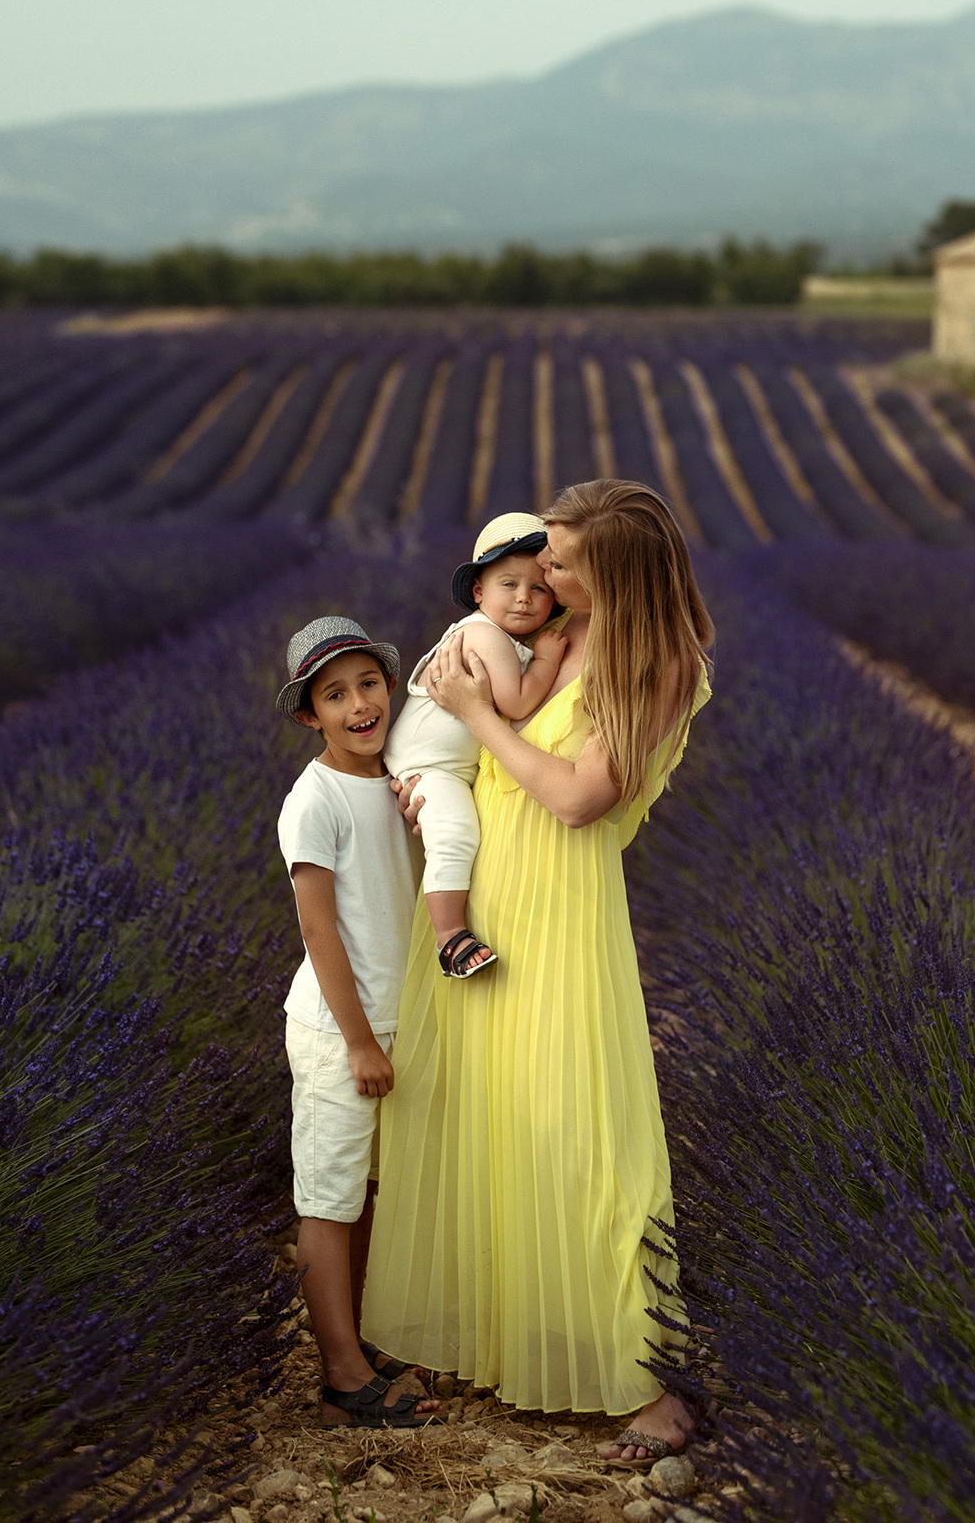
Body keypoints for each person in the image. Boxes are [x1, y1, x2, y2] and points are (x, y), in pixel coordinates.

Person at [363, 480, 713, 1461]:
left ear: (615, 573)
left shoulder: (660, 661)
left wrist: (477, 715)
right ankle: (497, 1336)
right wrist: (432, 785)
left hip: (559, 905)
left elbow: (577, 798)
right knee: (482, 1110)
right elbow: (482, 756)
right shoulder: (555, 632)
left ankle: (648, 1383)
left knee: (582, 1127)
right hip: (484, 888)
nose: (541, 570)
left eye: (560, 560)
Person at [275, 615, 443, 1430]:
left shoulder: (398, 780)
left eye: (368, 685)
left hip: (393, 1021)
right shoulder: (314, 800)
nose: (359, 706)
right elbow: (319, 931)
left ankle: (367, 1337)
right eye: (334, 696)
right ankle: (341, 1374)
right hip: (340, 1031)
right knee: (331, 1198)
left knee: (371, 1192)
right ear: (311, 716)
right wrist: (359, 1042)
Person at [384, 512, 566, 979]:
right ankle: (449, 936)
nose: (524, 597)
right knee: (455, 833)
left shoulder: (495, 634)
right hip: (431, 766)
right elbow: (517, 702)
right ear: (479, 592)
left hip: (442, 762)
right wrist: (546, 661)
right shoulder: (485, 635)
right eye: (509, 584)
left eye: (539, 588)